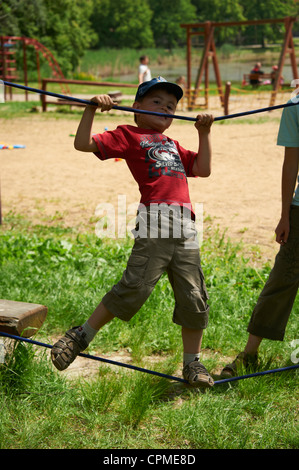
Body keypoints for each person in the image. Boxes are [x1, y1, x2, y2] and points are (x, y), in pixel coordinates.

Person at [51, 76, 215, 388]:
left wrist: (204, 132)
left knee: (194, 295)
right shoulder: (128, 134)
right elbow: (82, 143)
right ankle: (80, 335)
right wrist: (91, 110)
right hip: (156, 220)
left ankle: (192, 363)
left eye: (171, 106)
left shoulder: (173, 144)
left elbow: (204, 169)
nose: (166, 109)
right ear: (136, 108)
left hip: (186, 225)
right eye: (157, 102)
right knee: (135, 286)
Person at [221, 98, 299, 378]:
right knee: (282, 279)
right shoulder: (295, 107)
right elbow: (291, 163)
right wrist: (285, 214)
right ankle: (250, 353)